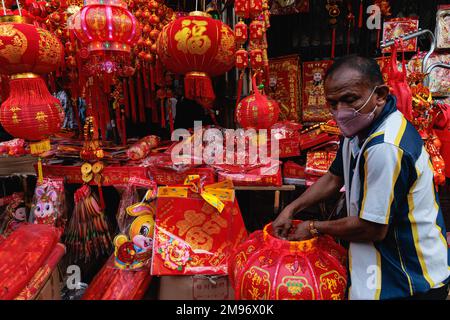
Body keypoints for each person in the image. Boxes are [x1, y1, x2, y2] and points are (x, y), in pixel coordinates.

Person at [273, 55, 450, 300]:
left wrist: (314, 227)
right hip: (377, 272)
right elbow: (335, 177)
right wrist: (291, 209)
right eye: (333, 103)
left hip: (410, 277)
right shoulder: (357, 126)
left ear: (379, 94)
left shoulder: (387, 147)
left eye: (350, 100)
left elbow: (373, 228)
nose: (340, 112)